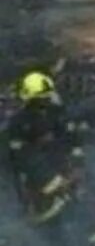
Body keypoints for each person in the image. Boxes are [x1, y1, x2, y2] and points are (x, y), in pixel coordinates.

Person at [6, 71, 84, 229]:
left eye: (46, 99)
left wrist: (77, 165)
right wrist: (55, 182)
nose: (46, 104)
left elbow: (73, 140)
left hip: (66, 181)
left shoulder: (58, 116)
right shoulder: (19, 125)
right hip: (40, 192)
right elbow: (23, 159)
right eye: (40, 101)